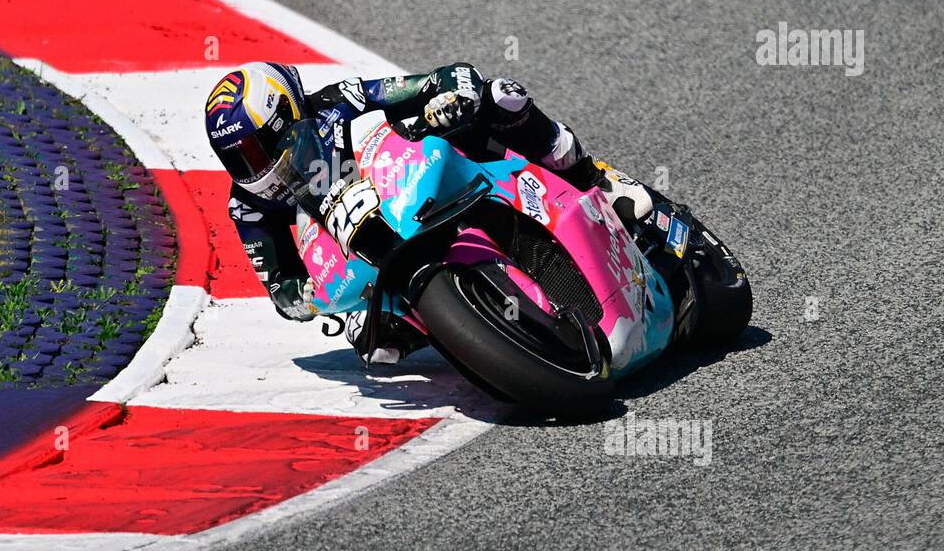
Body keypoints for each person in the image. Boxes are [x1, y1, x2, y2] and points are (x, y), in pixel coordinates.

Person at [205, 61, 651, 363]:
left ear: (290, 112)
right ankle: (481, 332)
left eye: (259, 147)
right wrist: (303, 298)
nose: (256, 166)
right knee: (371, 346)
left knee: (499, 96)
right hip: (363, 260)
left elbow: (443, 79)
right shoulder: (247, 207)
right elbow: (280, 285)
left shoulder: (336, 103)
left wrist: (449, 97)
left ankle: (594, 178)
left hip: (411, 184)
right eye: (238, 158)